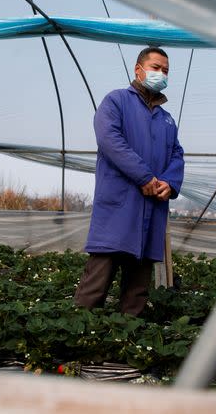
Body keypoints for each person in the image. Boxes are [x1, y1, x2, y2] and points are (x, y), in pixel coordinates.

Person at [74, 46, 185, 316]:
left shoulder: (166, 119)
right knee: (96, 282)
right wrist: (144, 177)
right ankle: (78, 338)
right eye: (156, 68)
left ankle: (127, 339)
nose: (161, 74)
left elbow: (177, 154)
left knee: (137, 289)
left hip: (152, 209)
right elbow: (110, 141)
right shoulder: (116, 102)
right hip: (120, 207)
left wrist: (168, 183)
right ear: (138, 70)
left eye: (166, 71)